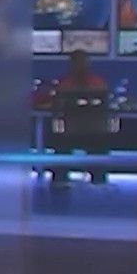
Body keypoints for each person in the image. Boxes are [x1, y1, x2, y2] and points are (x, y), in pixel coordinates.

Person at [49, 48, 110, 186]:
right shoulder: (98, 83)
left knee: (60, 145)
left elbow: (56, 110)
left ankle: (60, 181)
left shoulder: (64, 85)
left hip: (72, 133)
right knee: (98, 147)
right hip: (93, 133)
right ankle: (98, 181)